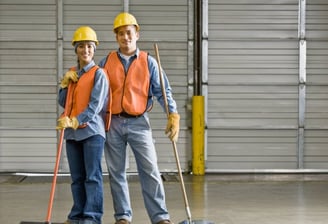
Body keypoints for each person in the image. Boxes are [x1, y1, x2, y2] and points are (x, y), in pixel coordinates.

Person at [98, 12, 180, 224]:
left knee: (150, 170)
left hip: (139, 122)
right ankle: (123, 217)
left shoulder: (149, 62)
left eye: (129, 33)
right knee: (116, 173)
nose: (125, 37)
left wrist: (173, 114)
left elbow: (163, 91)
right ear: (116, 37)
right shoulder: (106, 61)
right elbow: (93, 85)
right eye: (121, 34)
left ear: (137, 34)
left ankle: (160, 217)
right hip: (112, 123)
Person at [56, 26, 109, 224]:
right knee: (77, 178)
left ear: (94, 49)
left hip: (92, 133)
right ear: (76, 50)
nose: (85, 50)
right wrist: (63, 84)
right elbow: (64, 102)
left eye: (89, 46)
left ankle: (92, 217)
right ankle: (77, 215)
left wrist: (76, 120)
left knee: (92, 177)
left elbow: (95, 106)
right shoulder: (72, 74)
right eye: (81, 46)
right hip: (72, 134)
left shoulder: (99, 74)